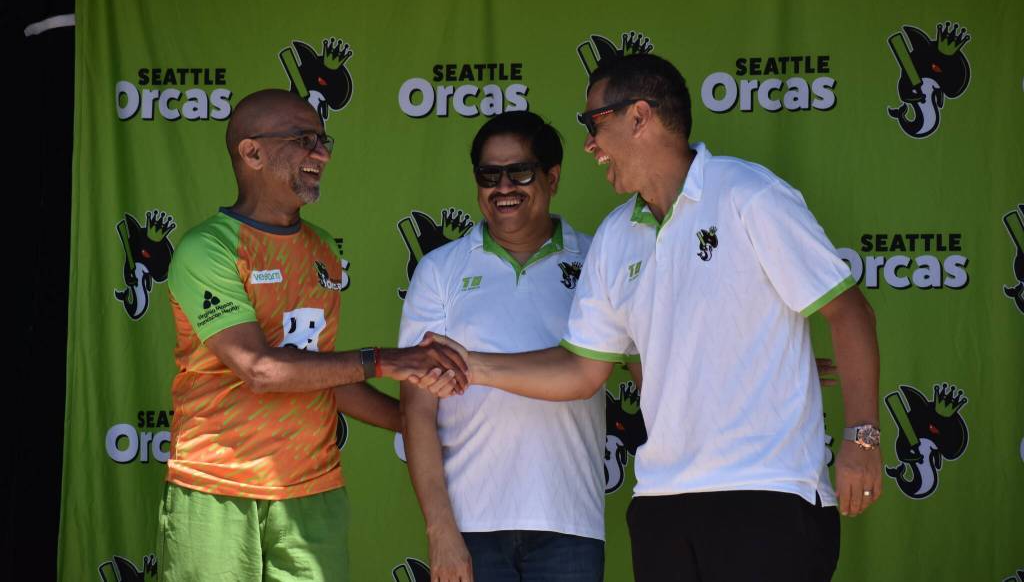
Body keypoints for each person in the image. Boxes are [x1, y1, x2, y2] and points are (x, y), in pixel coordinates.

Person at [461, 54, 882, 582]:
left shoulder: (748, 194)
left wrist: (862, 439)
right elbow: (582, 370)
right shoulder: (615, 236)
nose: (589, 144)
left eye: (594, 123)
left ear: (639, 116)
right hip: (661, 501)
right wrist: (472, 367)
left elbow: (849, 312)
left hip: (768, 491)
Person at [156, 89, 467, 582]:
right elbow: (260, 370)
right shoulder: (207, 249)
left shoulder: (321, 250)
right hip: (216, 490)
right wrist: (386, 360)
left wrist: (411, 423)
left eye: (323, 140)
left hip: (312, 494)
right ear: (251, 152)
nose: (320, 153)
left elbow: (319, 373)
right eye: (303, 140)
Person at [401, 111, 612, 582]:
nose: (504, 187)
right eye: (488, 174)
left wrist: (472, 366)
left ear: (552, 177)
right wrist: (441, 531)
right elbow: (417, 411)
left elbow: (600, 370)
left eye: (520, 172)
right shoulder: (438, 270)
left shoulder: (598, 258)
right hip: (470, 524)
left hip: (569, 521)